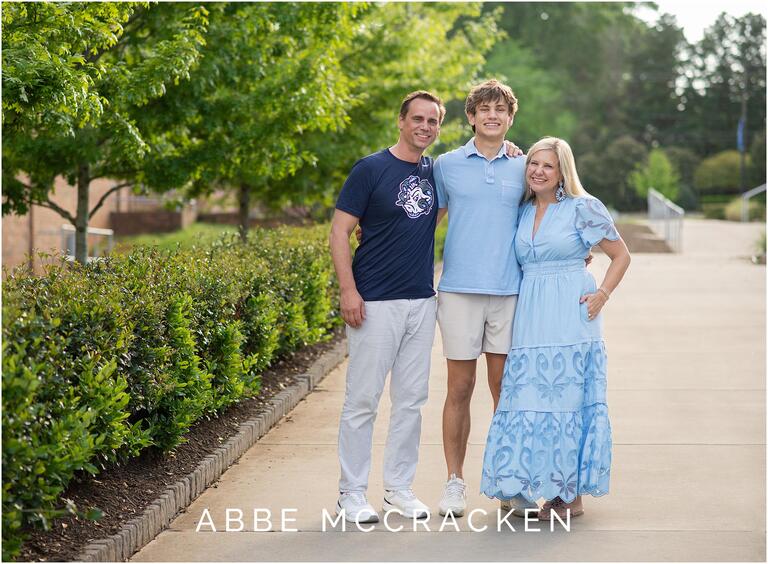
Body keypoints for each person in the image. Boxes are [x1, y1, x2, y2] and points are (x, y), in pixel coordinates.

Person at [479, 136, 631, 519]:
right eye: (533, 164)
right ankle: (530, 485)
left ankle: (569, 496)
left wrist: (603, 294)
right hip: (530, 312)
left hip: (570, 314)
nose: (538, 171)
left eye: (547, 165)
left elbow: (620, 255)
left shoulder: (583, 208)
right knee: (529, 396)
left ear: (563, 171)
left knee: (566, 401)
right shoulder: (524, 210)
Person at [329, 91, 445, 523]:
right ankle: (351, 493)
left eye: (433, 121)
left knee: (411, 400)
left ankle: (398, 488)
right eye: (418, 118)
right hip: (374, 302)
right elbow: (340, 232)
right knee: (363, 400)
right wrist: (348, 290)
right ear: (401, 121)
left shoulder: (436, 171)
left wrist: (511, 149)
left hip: (421, 301)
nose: (425, 126)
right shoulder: (371, 168)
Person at [433, 79, 538, 518]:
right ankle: (455, 481)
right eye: (484, 109)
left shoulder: (526, 165)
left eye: (501, 110)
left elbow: (551, 209)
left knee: (505, 391)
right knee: (460, 387)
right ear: (471, 117)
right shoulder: (446, 164)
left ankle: (509, 481)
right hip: (458, 291)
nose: (492, 115)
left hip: (510, 291)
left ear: (510, 119)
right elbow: (424, 219)